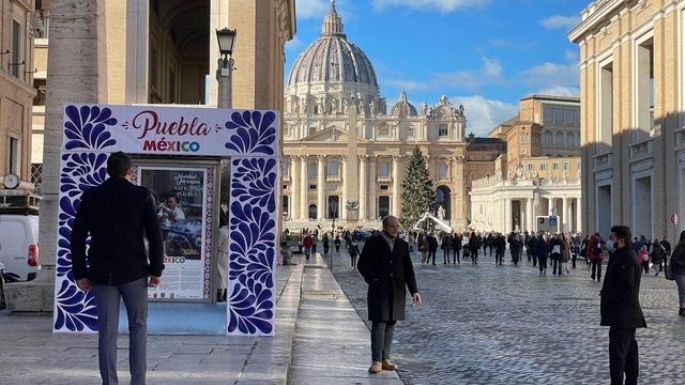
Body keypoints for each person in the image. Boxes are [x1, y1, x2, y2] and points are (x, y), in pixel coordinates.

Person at [71, 151, 164, 385]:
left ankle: (109, 382)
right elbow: (155, 236)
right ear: (129, 171)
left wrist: (80, 272)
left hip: (101, 273)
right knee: (139, 327)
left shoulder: (91, 196)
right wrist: (156, 269)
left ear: (107, 170)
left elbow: (78, 237)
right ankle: (138, 382)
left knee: (107, 332)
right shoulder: (141, 195)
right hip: (134, 271)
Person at [357, 216, 421, 374]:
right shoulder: (373, 242)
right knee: (379, 324)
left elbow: (408, 269)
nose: (396, 229)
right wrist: (373, 279)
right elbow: (362, 264)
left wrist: (414, 290)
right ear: (385, 227)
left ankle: (385, 358)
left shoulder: (402, 244)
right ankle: (376, 360)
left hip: (397, 290)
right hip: (379, 289)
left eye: (397, 226)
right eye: (393, 226)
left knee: (391, 323)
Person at [600, 225, 646, 385]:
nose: (609, 241)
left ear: (621, 239)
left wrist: (610, 297)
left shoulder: (626, 257)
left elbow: (626, 285)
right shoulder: (622, 255)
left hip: (622, 316)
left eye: (612, 238)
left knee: (618, 356)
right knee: (629, 352)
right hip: (625, 316)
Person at [669, 230, 685, 317]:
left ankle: (682, 308)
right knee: (683, 290)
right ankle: (682, 309)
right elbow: (674, 259)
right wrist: (683, 264)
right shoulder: (680, 247)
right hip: (680, 272)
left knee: (682, 290)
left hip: (683, 272)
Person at [216, 210, 229, 302]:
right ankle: (226, 295)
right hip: (229, 255)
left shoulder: (222, 231)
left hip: (221, 254)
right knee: (226, 275)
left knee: (220, 275)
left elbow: (217, 245)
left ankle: (220, 295)